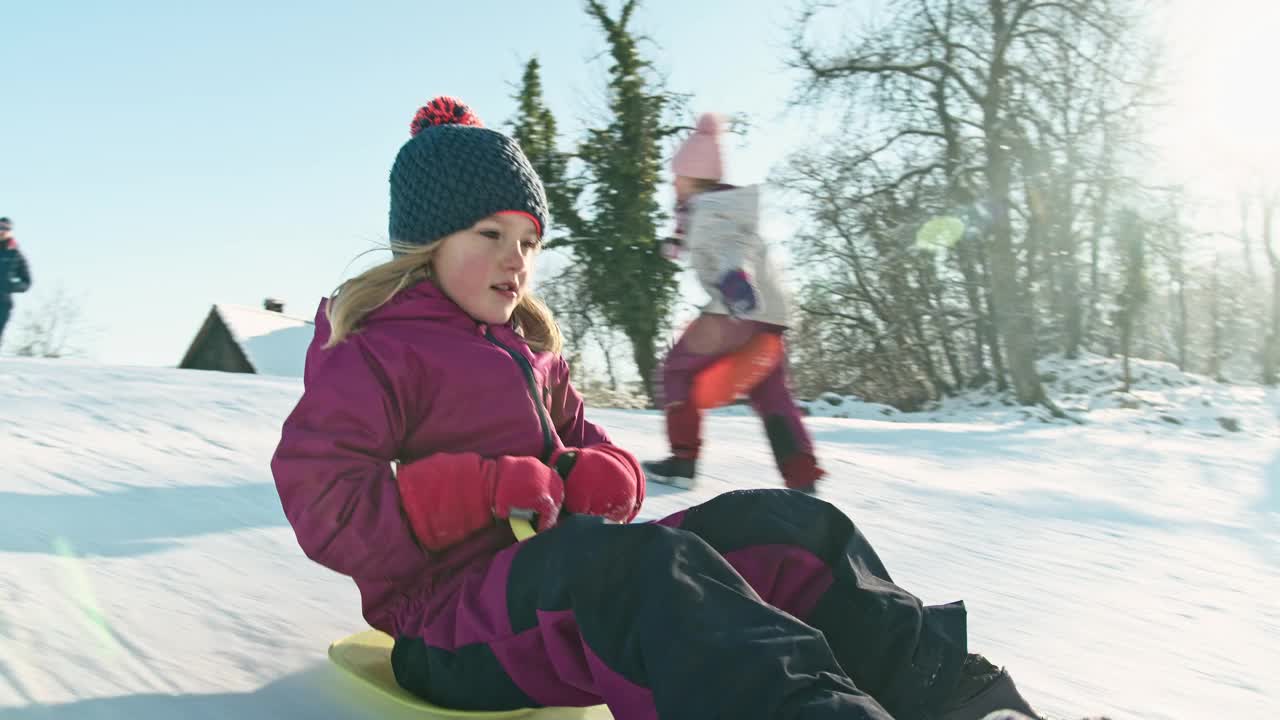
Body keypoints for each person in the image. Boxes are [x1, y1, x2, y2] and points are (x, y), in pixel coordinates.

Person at [272, 97, 1045, 720]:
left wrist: (605, 476)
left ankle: (955, 701)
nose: (518, 259)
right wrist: (480, 489)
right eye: (491, 233)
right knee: (639, 572)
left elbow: (593, 449)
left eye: (531, 240)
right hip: (448, 627)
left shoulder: (530, 348)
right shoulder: (374, 346)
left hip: (561, 586)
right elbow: (325, 504)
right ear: (426, 243)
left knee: (785, 527)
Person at [642, 113, 825, 493]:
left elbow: (730, 247)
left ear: (694, 178)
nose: (673, 184)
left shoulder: (712, 213)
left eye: (677, 177)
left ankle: (683, 460)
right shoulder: (715, 207)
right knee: (770, 391)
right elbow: (707, 239)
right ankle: (801, 473)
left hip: (737, 305)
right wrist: (676, 246)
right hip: (771, 315)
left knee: (677, 370)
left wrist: (734, 277)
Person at [0, 217, 32, 346]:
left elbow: (27, 282)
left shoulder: (15, 254)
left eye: (5, 228)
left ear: (10, 231)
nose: (2, 231)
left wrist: (11, 286)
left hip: (3, 303)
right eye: (0, 227)